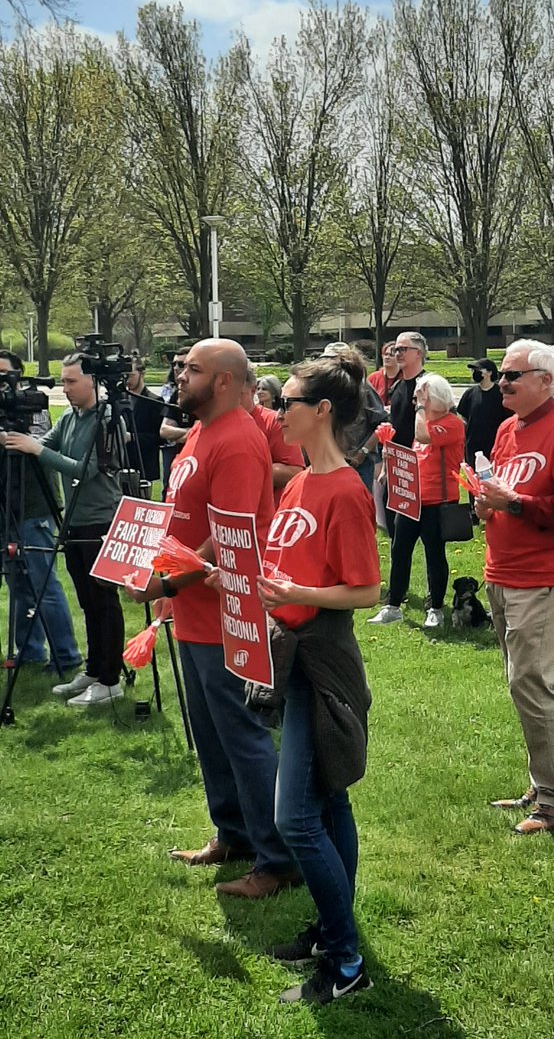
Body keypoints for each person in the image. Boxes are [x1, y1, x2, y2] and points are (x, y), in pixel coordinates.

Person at [125, 338, 300, 898]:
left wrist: (168, 579)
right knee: (210, 735)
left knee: (243, 736)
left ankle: (278, 859)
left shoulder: (240, 440)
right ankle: (234, 833)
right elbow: (184, 518)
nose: (179, 376)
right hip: (195, 612)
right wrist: (155, 573)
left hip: (230, 615)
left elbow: (232, 537)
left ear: (224, 380)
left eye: (191, 369)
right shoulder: (199, 431)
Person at [256, 349, 380, 1005]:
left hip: (321, 659)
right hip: (290, 650)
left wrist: (297, 590)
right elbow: (282, 568)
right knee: (330, 801)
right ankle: (332, 934)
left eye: (289, 403)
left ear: (322, 411)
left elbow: (365, 590)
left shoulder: (346, 492)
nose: (280, 412)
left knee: (296, 817)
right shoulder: (299, 483)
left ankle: (345, 961)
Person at [3, 352, 126, 706]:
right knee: (87, 602)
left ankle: (110, 679)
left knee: (104, 602)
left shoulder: (105, 419)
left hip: (99, 518)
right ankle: (93, 669)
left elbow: (83, 469)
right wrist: (16, 440)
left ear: (93, 382)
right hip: (74, 519)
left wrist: (34, 448)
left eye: (72, 381)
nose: (66, 388)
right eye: (63, 382)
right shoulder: (72, 417)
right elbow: (49, 445)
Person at [476, 339, 554, 835]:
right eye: (502, 375)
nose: (501, 382)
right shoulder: (507, 428)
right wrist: (487, 506)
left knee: (533, 683)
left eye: (512, 375)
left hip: (538, 577)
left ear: (546, 380)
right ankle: (541, 780)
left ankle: (550, 799)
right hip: (500, 572)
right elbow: (503, 495)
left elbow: (531, 504)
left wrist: (517, 504)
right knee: (522, 684)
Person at [0, 349, 81, 671]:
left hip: (33, 506)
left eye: (6, 376)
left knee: (42, 582)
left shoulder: (31, 404)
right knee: (17, 583)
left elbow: (36, 445)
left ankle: (66, 655)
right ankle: (31, 651)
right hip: (6, 507)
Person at [371, 373, 465, 630]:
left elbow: (423, 437)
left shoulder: (452, 423)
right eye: (415, 400)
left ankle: (435, 607)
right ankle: (393, 605)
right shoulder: (422, 425)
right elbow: (415, 457)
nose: (415, 404)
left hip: (438, 500)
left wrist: (422, 408)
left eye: (420, 398)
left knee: (434, 553)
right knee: (399, 549)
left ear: (437, 398)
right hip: (412, 500)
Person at [322, 342, 386, 492]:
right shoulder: (322, 388)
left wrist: (363, 452)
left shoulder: (363, 388)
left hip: (359, 464)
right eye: (326, 360)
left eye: (334, 360)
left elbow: (382, 424)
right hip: (329, 462)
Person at [382, 331, 428, 538]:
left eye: (402, 349)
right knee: (394, 532)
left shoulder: (428, 384)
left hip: (420, 466)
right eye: (395, 349)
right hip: (396, 464)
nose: (397, 353)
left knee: (427, 537)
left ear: (418, 353)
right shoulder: (398, 387)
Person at [240, 362, 304, 505]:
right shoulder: (211, 422)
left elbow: (294, 472)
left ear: (252, 390)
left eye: (238, 393)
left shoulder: (273, 421)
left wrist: (245, 467)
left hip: (265, 515)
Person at [457, 357, 511, 518]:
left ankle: (495, 508)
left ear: (488, 372)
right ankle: (475, 510)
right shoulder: (470, 393)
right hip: (472, 444)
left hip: (494, 444)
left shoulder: (499, 394)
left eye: (477, 370)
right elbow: (463, 416)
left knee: (493, 477)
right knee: (473, 477)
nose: (474, 373)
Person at [123, 354, 164, 485]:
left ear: (142, 373)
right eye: (124, 376)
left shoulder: (155, 401)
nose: (127, 380)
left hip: (144, 464)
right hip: (122, 463)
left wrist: (132, 437)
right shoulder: (120, 399)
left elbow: (159, 438)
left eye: (131, 375)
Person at [159, 349, 192, 499]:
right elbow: (164, 430)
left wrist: (178, 433)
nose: (176, 368)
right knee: (169, 487)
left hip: (198, 458)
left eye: (181, 364)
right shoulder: (176, 394)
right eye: (174, 364)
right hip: (176, 455)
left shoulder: (203, 394)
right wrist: (194, 432)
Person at [368, 342, 402, 408]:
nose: (387, 357)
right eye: (385, 354)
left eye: (391, 355)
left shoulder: (404, 378)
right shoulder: (373, 378)